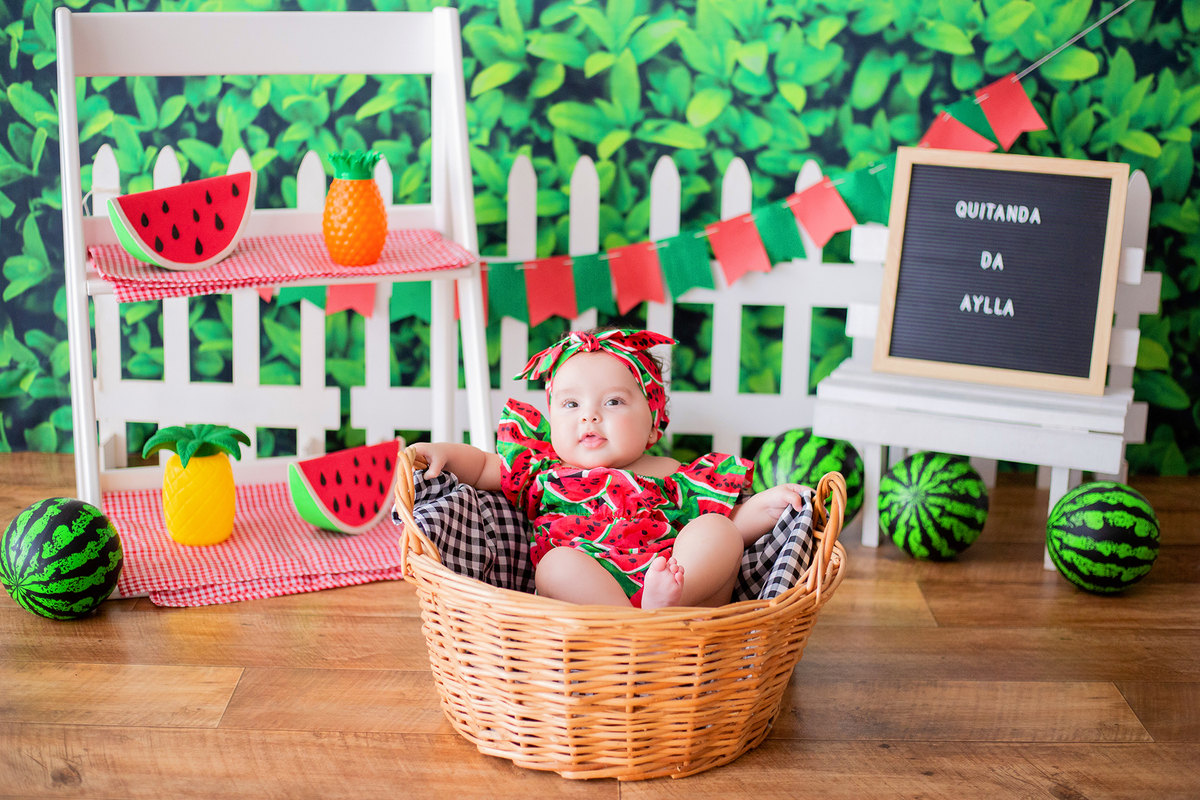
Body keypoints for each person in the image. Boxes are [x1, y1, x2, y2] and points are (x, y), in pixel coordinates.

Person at [410, 328, 808, 610]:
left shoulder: (671, 472)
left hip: (676, 598)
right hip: (591, 610)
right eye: (571, 405)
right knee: (555, 565)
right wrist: (442, 451)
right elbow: (480, 466)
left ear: (654, 423)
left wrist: (769, 506)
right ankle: (630, 623)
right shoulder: (543, 470)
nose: (590, 417)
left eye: (613, 402)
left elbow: (732, 520)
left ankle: (662, 606)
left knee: (717, 530)